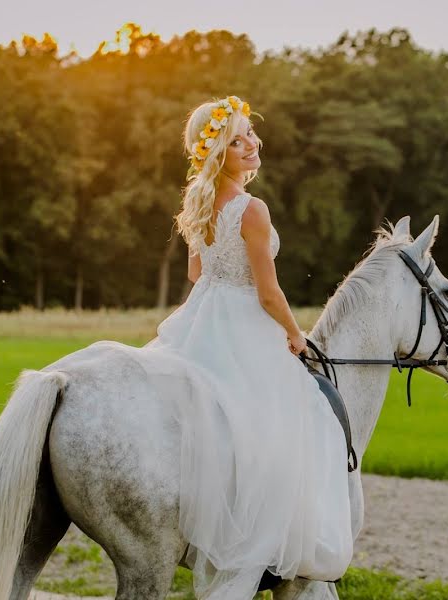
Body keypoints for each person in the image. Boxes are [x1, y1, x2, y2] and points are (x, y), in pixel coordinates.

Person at [144, 96, 353, 599]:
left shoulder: (199, 203)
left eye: (250, 134)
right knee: (294, 417)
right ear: (217, 151)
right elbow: (267, 291)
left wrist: (220, 274)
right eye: (235, 140)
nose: (250, 145)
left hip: (203, 314)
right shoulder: (251, 208)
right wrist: (295, 334)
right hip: (244, 318)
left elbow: (197, 273)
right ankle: (277, 543)